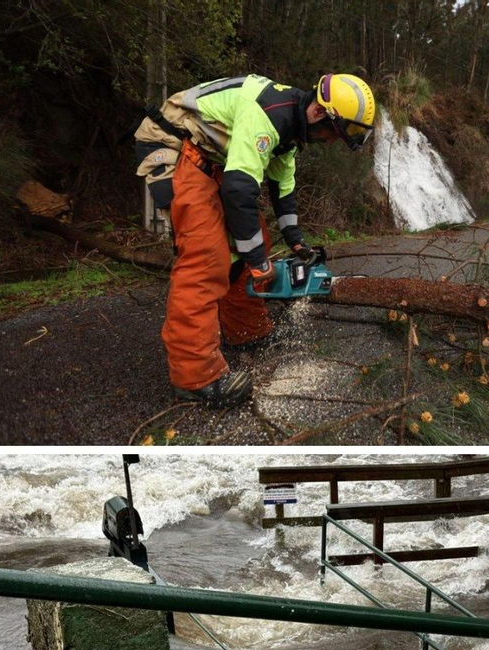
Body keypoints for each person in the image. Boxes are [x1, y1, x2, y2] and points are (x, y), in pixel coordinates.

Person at [135, 73, 377, 406]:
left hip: (211, 158)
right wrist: (258, 262)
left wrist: (295, 241)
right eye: (332, 135)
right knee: (207, 255)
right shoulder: (269, 114)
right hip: (174, 144)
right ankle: (195, 378)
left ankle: (245, 330)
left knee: (252, 238)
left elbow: (283, 188)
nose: (330, 142)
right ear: (320, 113)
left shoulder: (291, 129)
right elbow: (238, 189)